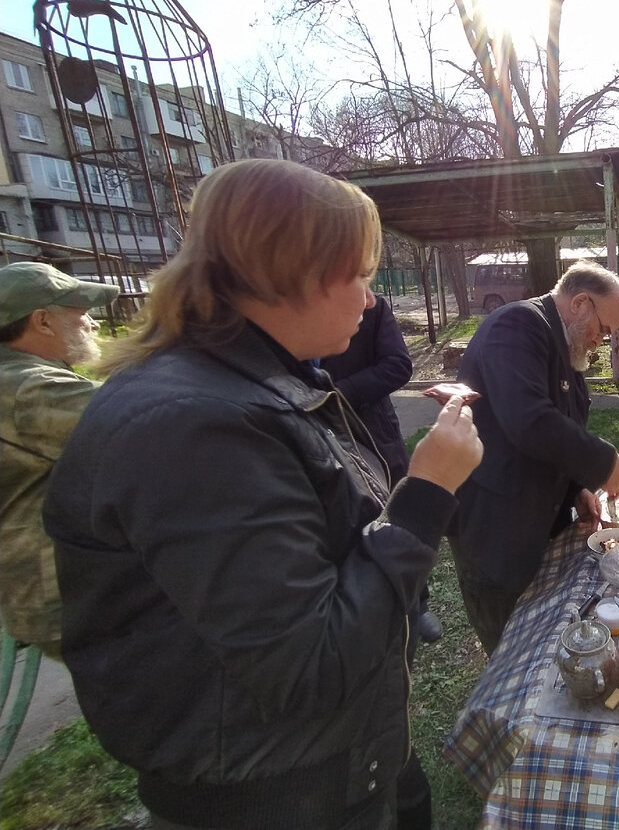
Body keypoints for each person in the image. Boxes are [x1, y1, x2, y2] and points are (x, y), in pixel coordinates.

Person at [43, 159, 483, 830]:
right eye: (360, 275)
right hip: (275, 796)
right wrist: (428, 491)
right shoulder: (194, 427)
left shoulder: (254, 385)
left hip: (333, 764)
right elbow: (309, 665)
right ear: (291, 271)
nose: (370, 301)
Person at [451, 261, 619, 654]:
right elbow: (530, 420)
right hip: (494, 529)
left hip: (535, 523)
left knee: (541, 639)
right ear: (581, 302)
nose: (603, 340)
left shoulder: (563, 342)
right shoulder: (516, 326)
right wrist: (603, 464)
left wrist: (576, 489)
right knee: (509, 648)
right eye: (604, 329)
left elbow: (564, 422)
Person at [0, 262, 118, 660]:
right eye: (80, 311)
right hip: (68, 597)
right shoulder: (30, 388)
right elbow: (146, 419)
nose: (91, 323)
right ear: (43, 321)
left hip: (55, 590)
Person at [321, 297, 443, 643]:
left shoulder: (373, 308)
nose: (366, 296)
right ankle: (366, 606)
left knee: (396, 510)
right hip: (319, 438)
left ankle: (417, 602)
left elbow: (398, 365)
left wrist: (337, 394)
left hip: (371, 430)